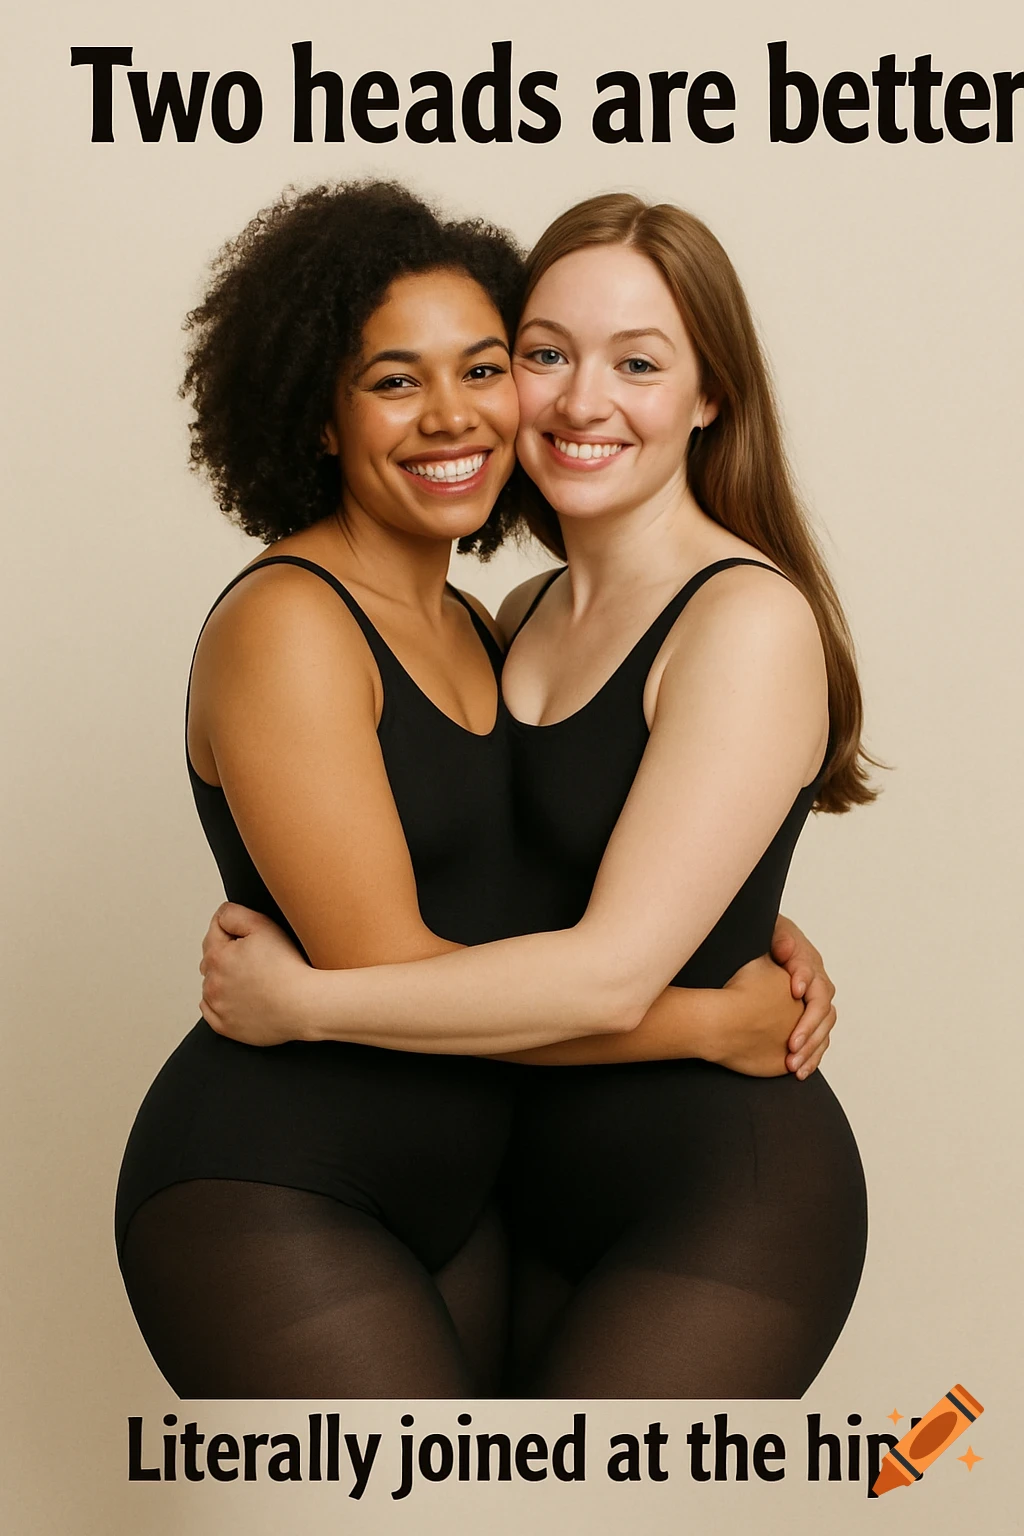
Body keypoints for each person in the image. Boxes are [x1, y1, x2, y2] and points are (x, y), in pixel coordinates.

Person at [116, 181, 832, 1401]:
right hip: (295, 1169)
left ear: (710, 396)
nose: (454, 414)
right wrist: (711, 1015)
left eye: (484, 366)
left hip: (536, 1190)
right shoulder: (334, 620)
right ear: (318, 415)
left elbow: (547, 867)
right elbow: (401, 955)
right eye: (395, 379)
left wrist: (738, 908)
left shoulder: (488, 621)